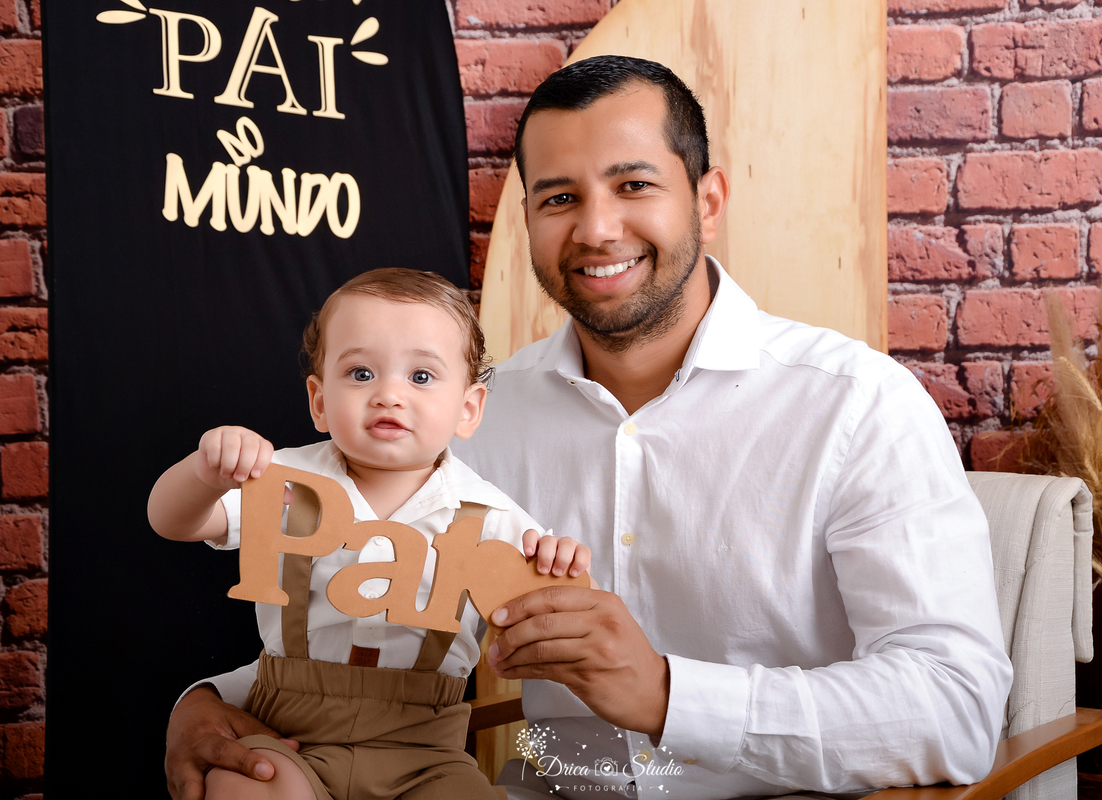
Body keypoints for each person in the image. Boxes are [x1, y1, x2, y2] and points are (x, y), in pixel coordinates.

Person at [165, 56, 1012, 800]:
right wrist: (209, 702)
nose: (597, 229)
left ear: (707, 200)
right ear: (528, 222)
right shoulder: (461, 418)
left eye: (634, 185)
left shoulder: (858, 405)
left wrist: (666, 695)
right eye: (559, 197)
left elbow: (956, 705)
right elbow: (366, 623)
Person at [149, 269, 591, 800]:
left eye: (421, 377)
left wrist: (558, 564)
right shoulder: (284, 480)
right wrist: (206, 473)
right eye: (360, 373)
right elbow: (173, 522)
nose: (388, 395)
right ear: (318, 400)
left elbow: (547, 619)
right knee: (242, 786)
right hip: (292, 735)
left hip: (426, 750)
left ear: (468, 410)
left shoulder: (490, 515)